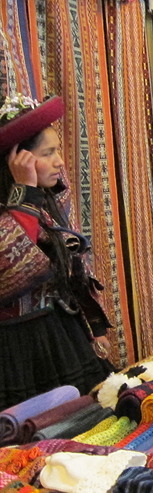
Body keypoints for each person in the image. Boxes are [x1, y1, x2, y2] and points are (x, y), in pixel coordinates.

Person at [0, 93, 111, 408]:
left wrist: (95, 326)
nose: (60, 162)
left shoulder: (45, 204)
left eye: (57, 150)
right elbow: (12, 269)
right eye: (48, 153)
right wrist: (25, 193)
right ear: (17, 161)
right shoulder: (25, 203)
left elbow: (71, 267)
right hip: (16, 348)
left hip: (60, 333)